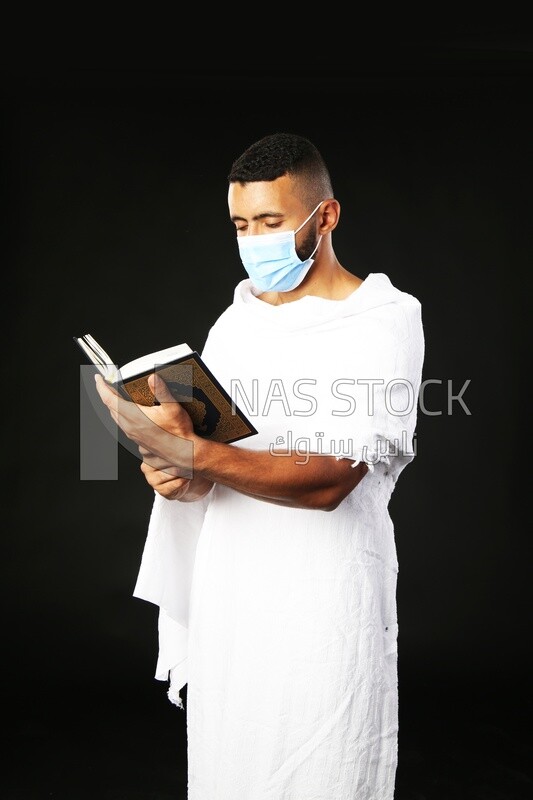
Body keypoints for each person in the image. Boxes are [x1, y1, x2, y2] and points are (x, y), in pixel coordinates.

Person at [95, 132, 425, 800]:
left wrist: (196, 456)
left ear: (324, 217)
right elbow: (217, 463)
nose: (253, 241)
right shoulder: (236, 322)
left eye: (271, 223)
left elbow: (333, 475)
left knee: (322, 766)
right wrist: (176, 477)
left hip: (323, 602)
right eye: (241, 225)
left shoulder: (382, 321)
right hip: (230, 596)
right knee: (230, 767)